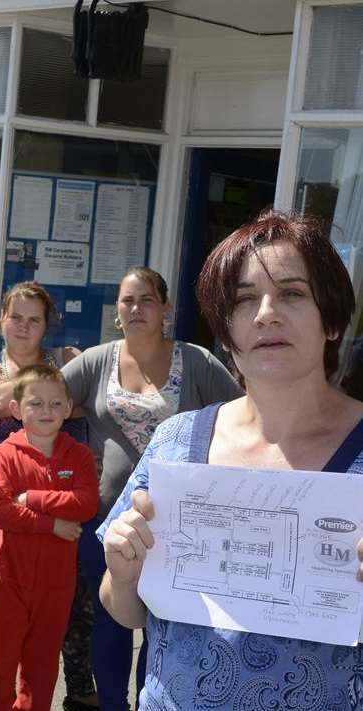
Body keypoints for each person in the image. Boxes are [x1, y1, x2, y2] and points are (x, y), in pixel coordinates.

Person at [99, 210, 363, 709]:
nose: (266, 314)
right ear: (227, 331)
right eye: (244, 299)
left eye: (292, 293)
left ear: (330, 319)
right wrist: (124, 569)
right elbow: (125, 610)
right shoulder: (177, 442)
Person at [61, 266, 241, 710]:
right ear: (117, 311)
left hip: (179, 525)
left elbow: (244, 413)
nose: (136, 308)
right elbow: (40, 399)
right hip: (108, 521)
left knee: (163, 621)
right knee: (109, 619)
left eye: (146, 299)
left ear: (165, 308)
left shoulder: (196, 361)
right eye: (127, 300)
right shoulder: (97, 360)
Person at [0, 281, 97, 710]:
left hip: (51, 494)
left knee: (65, 610)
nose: (23, 326)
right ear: (2, 320)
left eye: (33, 319)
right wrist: (55, 390)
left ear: (46, 325)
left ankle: (78, 691)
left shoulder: (67, 362)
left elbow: (91, 400)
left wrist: (44, 392)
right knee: (3, 613)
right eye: (15, 317)